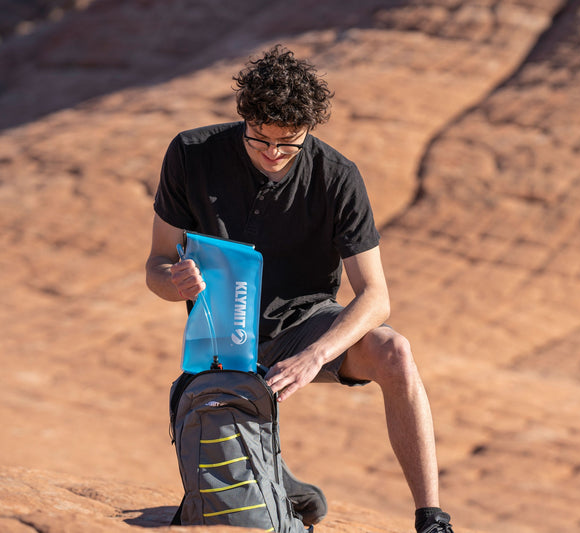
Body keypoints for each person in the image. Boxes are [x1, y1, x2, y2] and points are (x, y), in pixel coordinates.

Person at [145, 45, 455, 533]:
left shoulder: (337, 177)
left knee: (395, 351)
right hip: (225, 339)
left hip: (308, 326)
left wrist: (316, 355)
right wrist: (174, 280)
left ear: (310, 130)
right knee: (241, 508)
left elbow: (375, 296)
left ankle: (431, 519)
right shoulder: (192, 155)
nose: (272, 153)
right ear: (243, 117)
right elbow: (157, 265)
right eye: (259, 139)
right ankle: (286, 486)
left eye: (288, 142)